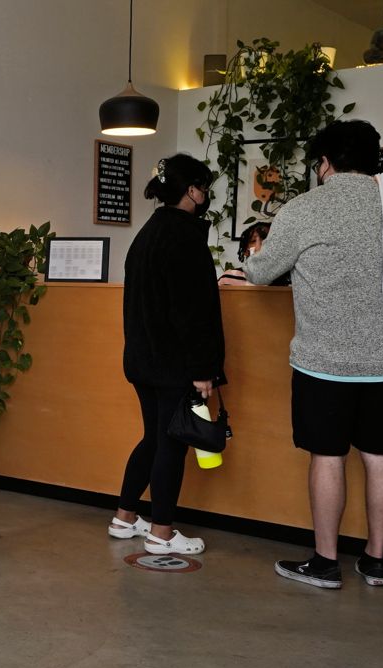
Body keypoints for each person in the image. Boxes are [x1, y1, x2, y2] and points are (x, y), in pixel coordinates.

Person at [245, 120, 383, 589]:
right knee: (382, 456)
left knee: (328, 455)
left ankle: (325, 562)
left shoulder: (305, 209)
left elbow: (261, 272)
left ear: (324, 163)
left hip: (324, 361)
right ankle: (376, 561)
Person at [111, 153, 225, 555]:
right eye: (204, 187)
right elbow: (193, 312)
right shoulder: (186, 237)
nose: (206, 194)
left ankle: (125, 518)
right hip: (175, 364)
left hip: (142, 360)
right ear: (193, 191)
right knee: (171, 445)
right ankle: (161, 533)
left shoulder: (148, 232)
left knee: (153, 438)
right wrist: (204, 370)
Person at [218, 222, 289, 287]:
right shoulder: (229, 278)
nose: (260, 245)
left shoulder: (290, 280)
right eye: (253, 241)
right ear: (246, 251)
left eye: (266, 239)